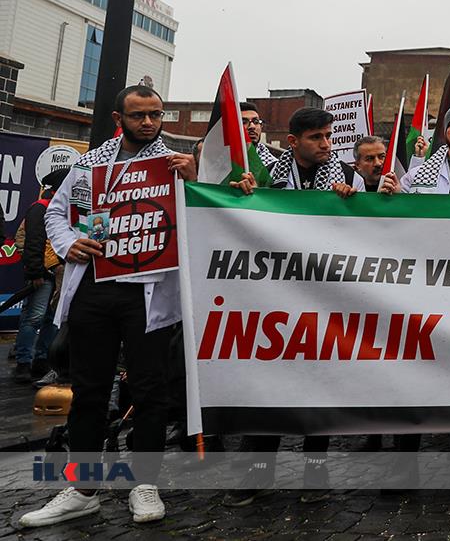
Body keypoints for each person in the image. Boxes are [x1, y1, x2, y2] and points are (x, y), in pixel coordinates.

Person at [20, 86, 197, 528]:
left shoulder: (176, 164)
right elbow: (56, 215)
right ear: (120, 117)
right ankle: (82, 488)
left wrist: (194, 181)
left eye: (156, 114)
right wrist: (67, 243)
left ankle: (144, 482)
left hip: (149, 292)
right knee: (89, 391)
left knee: (150, 390)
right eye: (139, 116)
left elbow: (209, 213)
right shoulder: (91, 162)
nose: (150, 123)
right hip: (95, 289)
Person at [225, 107, 366, 505]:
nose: (326, 144)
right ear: (293, 142)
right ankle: (256, 472)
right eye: (316, 138)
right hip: (274, 299)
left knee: (320, 383)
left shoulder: (349, 177)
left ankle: (314, 471)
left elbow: (370, 229)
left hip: (325, 298)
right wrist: (243, 194)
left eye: (329, 136)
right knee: (268, 383)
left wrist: (354, 202)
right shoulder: (267, 175)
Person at [13, 168, 68, 383]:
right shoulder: (40, 208)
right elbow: (33, 242)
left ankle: (42, 360)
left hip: (57, 272)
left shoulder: (61, 209)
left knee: (50, 319)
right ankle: (23, 362)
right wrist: (36, 272)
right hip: (43, 274)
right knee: (34, 318)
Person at [241, 101, 278, 167]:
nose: (252, 126)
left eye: (256, 122)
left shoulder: (273, 167)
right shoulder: (221, 162)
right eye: (244, 122)